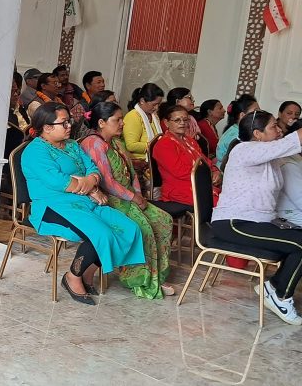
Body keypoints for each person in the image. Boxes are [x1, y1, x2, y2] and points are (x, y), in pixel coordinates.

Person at [21, 102, 145, 305]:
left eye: (69, 121)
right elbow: (59, 181)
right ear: (47, 127)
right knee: (101, 234)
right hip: (53, 207)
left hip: (84, 200)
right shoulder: (35, 152)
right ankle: (73, 276)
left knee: (128, 228)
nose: (70, 126)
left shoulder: (71, 145)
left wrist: (91, 183)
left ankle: (88, 271)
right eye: (64, 123)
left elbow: (92, 168)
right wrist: (91, 187)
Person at [212, 110, 302, 325]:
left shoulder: (269, 157)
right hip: (234, 223)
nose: (279, 130)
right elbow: (292, 141)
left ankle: (273, 286)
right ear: (257, 134)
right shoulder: (244, 149)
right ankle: (281, 296)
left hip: (257, 221)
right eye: (273, 127)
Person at [80, 100, 175, 299]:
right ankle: (140, 279)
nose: (122, 123)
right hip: (108, 199)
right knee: (143, 228)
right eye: (118, 119)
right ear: (101, 123)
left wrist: (137, 194)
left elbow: (132, 174)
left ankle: (157, 274)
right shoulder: (93, 144)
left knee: (164, 220)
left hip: (129, 196)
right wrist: (133, 197)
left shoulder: (116, 142)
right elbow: (106, 182)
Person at [153, 104, 221, 208]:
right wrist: (208, 176)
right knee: (223, 204)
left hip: (201, 183)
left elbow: (204, 160)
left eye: (185, 120)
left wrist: (215, 171)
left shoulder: (190, 140)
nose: (182, 123)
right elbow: (179, 171)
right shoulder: (163, 144)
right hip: (180, 190)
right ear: (166, 123)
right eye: (177, 120)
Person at [122, 83, 164, 163]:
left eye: (159, 104)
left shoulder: (154, 116)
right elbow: (131, 145)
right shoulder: (133, 116)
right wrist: (155, 146)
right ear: (142, 101)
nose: (157, 108)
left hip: (154, 160)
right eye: (154, 104)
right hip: (141, 163)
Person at [216, 94, 260, 168]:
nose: (260, 115)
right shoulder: (236, 135)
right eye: (256, 111)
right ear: (242, 115)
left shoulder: (236, 129)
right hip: (225, 171)